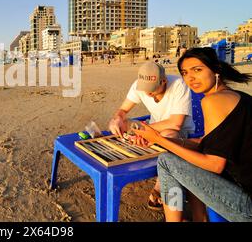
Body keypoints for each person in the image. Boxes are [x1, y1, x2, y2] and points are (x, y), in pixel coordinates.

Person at [134, 47, 252, 222]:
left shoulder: (213, 101)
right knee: (174, 156)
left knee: (166, 162)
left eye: (197, 70)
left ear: (216, 70)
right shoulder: (237, 95)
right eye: (185, 72)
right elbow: (205, 143)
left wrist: (159, 139)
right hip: (241, 190)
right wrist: (164, 141)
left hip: (245, 205)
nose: (190, 78)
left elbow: (214, 164)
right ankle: (198, 217)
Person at [108, 61, 195, 210]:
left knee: (168, 134)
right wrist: (117, 119)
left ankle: (160, 186)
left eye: (153, 89)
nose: (148, 93)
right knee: (118, 124)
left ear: (164, 81)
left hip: (178, 132)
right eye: (145, 89)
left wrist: (144, 131)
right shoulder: (138, 85)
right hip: (152, 126)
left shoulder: (179, 85)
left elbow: (175, 123)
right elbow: (122, 110)